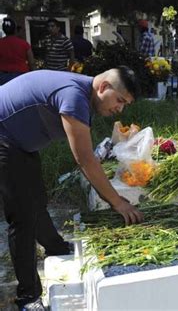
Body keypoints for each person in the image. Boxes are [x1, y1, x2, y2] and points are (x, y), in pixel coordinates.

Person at [0, 66, 144, 310]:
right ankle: (28, 297)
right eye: (119, 100)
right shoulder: (74, 95)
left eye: (125, 104)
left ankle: (55, 247)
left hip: (18, 142)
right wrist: (117, 202)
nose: (119, 109)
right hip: (4, 137)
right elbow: (85, 159)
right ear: (103, 87)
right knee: (22, 217)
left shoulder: (82, 92)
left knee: (36, 198)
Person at [0, 17, 36, 85]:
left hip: (2, 77)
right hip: (21, 76)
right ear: (15, 30)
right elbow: (32, 63)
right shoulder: (24, 44)